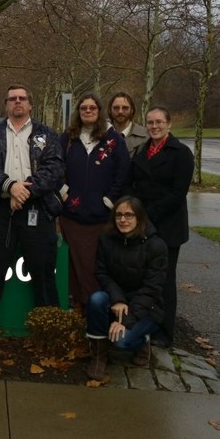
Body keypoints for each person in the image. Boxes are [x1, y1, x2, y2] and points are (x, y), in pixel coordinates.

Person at [0, 84, 64, 345]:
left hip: (37, 210)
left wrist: (25, 192)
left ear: (30, 104)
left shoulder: (46, 134)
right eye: (12, 98)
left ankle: (49, 329)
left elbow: (54, 168)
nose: (17, 102)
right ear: (6, 104)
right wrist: (10, 187)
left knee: (44, 272)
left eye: (22, 98)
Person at [124, 106, 193, 348]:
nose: (154, 126)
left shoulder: (181, 153)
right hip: (144, 226)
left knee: (164, 281)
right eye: (150, 123)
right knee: (145, 279)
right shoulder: (143, 151)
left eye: (159, 122)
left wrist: (145, 216)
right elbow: (133, 184)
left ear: (169, 124)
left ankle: (165, 332)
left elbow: (177, 193)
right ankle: (146, 324)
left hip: (167, 226)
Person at [86, 196, 168, 381]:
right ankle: (99, 356)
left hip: (147, 307)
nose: (123, 220)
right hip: (118, 300)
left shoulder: (157, 246)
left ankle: (143, 340)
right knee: (96, 300)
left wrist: (126, 321)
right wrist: (118, 299)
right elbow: (101, 273)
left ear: (140, 217)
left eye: (129, 215)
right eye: (119, 215)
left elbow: (152, 289)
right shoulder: (106, 239)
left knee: (121, 342)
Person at [59, 93, 129, 308]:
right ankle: (76, 306)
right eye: (83, 108)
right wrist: (63, 191)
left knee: (94, 265)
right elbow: (54, 167)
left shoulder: (113, 139)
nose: (88, 111)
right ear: (78, 112)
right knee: (74, 263)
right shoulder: (67, 139)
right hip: (72, 214)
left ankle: (95, 308)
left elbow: (123, 173)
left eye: (92, 108)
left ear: (99, 111)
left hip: (101, 217)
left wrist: (109, 200)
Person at [108, 92, 148, 158]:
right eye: (116, 108)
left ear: (132, 110)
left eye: (125, 108)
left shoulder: (146, 137)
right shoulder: (100, 135)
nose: (120, 111)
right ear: (110, 110)